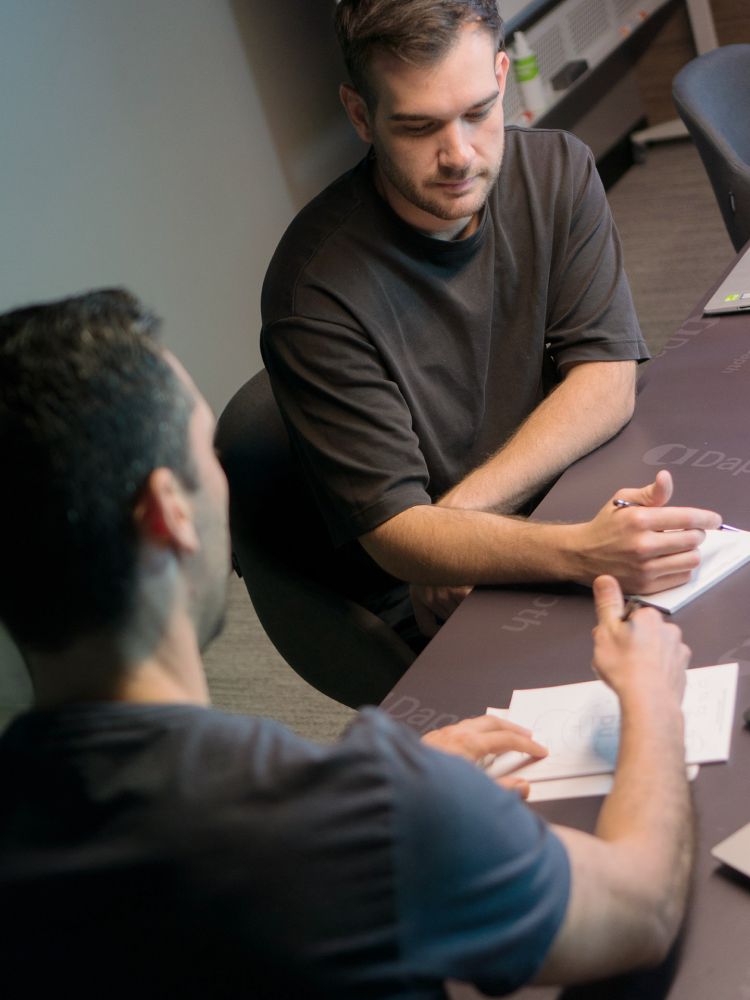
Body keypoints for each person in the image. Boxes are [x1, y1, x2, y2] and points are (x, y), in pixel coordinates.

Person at [0, 289, 694, 996]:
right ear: (168, 514)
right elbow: (645, 907)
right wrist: (652, 699)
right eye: (205, 454)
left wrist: (365, 798)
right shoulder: (370, 820)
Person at [260, 0, 720, 645]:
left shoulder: (557, 169)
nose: (458, 156)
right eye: (419, 128)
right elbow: (399, 536)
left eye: (478, 113)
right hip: (440, 592)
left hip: (552, 507)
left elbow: (607, 375)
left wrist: (461, 517)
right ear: (361, 115)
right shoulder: (314, 293)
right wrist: (579, 553)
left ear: (502, 76)